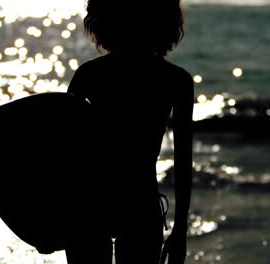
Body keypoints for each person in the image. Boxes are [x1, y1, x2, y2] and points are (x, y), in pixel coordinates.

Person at [65, 0, 193, 263]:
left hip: (89, 204)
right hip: (140, 203)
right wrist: (180, 230)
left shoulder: (89, 74)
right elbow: (183, 161)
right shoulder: (175, 79)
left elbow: (65, 153)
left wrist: (47, 222)